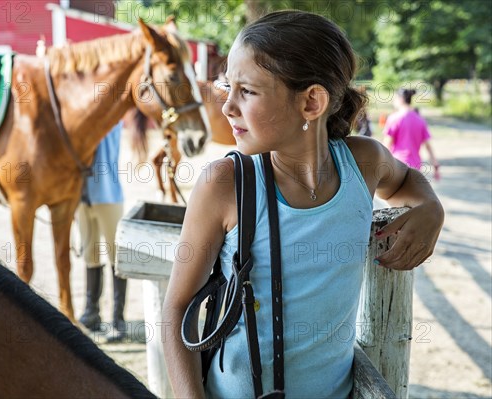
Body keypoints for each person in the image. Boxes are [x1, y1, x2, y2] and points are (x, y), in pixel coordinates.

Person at [162, 10, 444, 398]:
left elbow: (409, 179)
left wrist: (432, 208)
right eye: (228, 87)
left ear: (311, 102)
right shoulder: (225, 184)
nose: (227, 107)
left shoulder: (363, 163)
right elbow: (176, 311)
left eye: (247, 91)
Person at [77, 121, 127, 340]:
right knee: (91, 255)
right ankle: (91, 312)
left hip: (107, 194)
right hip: (81, 197)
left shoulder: (110, 117)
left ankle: (118, 319)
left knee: (117, 257)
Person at [383, 88, 440, 179]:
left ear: (400, 99)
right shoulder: (420, 120)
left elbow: (386, 146)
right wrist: (435, 164)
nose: (393, 102)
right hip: (415, 168)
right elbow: (428, 146)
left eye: (395, 99)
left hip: (397, 166)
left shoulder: (394, 118)